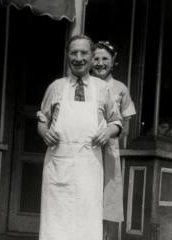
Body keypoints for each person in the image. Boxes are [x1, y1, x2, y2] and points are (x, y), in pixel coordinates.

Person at [37, 35, 123, 240]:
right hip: (59, 162)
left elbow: (117, 122)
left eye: (84, 53)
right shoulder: (56, 86)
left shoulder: (103, 89)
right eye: (73, 52)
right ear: (67, 55)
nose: (78, 58)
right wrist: (44, 132)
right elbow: (42, 119)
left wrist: (107, 132)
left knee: (87, 219)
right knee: (56, 221)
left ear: (92, 56)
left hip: (90, 164)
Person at [92, 41, 136, 240]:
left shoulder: (120, 88)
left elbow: (125, 124)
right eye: (96, 58)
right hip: (85, 148)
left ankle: (106, 237)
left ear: (113, 62)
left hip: (109, 150)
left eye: (105, 59)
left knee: (108, 194)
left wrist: (110, 133)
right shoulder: (85, 85)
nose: (100, 63)